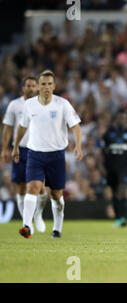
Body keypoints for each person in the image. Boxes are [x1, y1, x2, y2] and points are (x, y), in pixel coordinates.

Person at [12, 70, 83, 239]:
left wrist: (78, 145)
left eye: (49, 84)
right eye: (43, 84)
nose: (46, 87)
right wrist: (15, 147)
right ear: (38, 86)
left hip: (56, 156)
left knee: (56, 195)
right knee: (33, 188)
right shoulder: (30, 105)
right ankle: (27, 226)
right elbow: (22, 126)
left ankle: (57, 229)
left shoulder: (62, 104)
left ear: (54, 86)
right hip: (35, 154)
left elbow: (75, 126)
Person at [1, 76, 48, 234]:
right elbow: (8, 128)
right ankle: (26, 222)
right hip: (20, 149)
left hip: (38, 149)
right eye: (28, 85)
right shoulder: (15, 105)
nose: (30, 88)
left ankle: (38, 215)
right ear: (23, 88)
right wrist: (5, 148)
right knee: (21, 188)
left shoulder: (43, 105)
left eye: (33, 85)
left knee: (40, 187)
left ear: (37, 88)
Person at [102, 110, 127, 227]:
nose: (121, 120)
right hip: (111, 168)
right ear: (116, 120)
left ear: (126, 120)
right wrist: (102, 166)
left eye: (124, 118)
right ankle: (118, 218)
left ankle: (123, 217)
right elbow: (103, 150)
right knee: (114, 193)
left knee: (122, 192)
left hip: (124, 168)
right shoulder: (109, 133)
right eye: (119, 118)